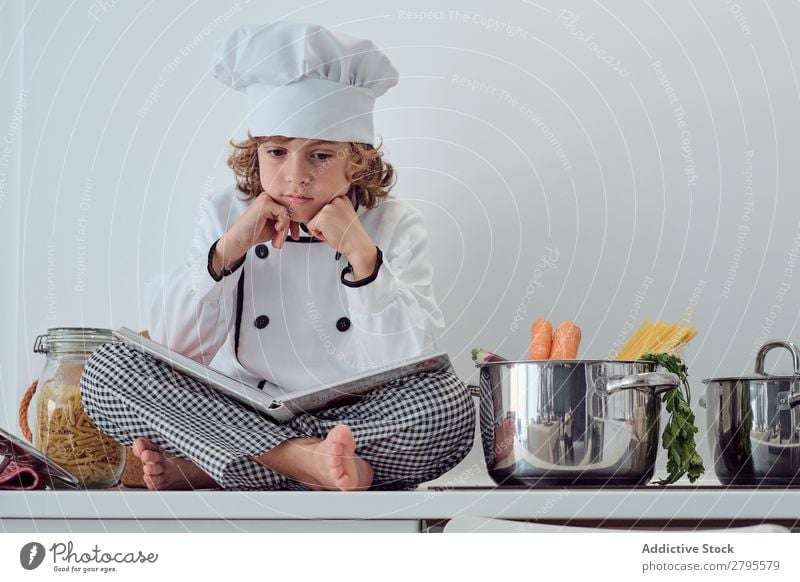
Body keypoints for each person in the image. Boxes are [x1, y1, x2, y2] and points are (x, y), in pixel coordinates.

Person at [79, 22, 475, 491]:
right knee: (109, 368)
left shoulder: (393, 224)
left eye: (321, 156)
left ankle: (221, 462)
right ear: (256, 154)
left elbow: (404, 357)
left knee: (449, 405)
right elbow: (180, 347)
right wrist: (229, 250)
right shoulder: (226, 212)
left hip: (359, 415)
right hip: (244, 403)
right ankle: (305, 462)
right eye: (277, 152)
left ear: (358, 160)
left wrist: (364, 259)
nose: (295, 177)